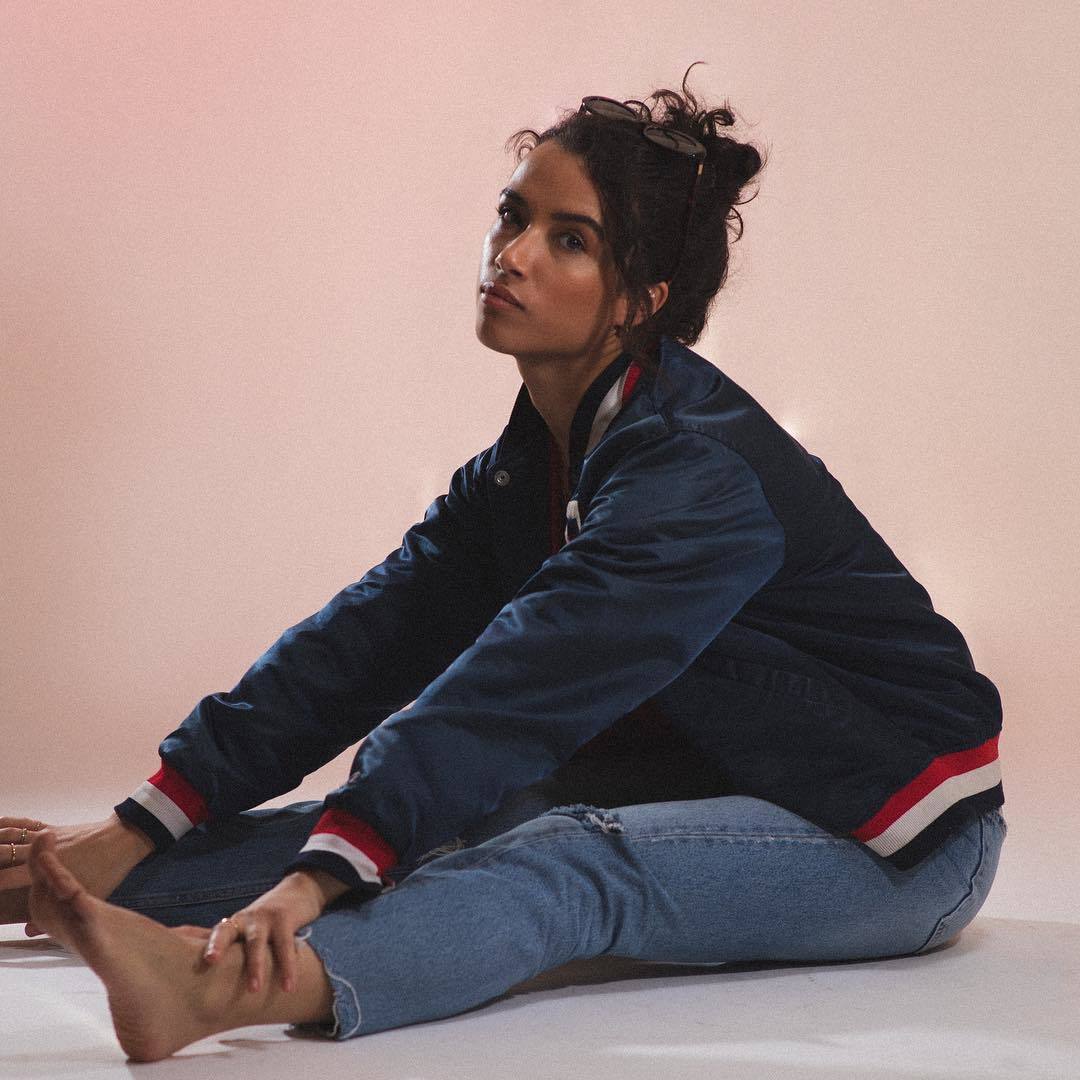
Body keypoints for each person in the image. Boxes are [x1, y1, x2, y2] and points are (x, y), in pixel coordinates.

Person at [1, 63, 1005, 1062]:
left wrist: (313, 889)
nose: (512, 255)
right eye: (513, 216)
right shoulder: (536, 459)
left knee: (566, 863)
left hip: (889, 837)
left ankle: (213, 987)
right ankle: (52, 888)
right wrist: (137, 824)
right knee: (444, 813)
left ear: (640, 300)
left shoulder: (696, 478)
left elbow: (516, 687)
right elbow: (363, 642)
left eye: (570, 240)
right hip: (717, 771)